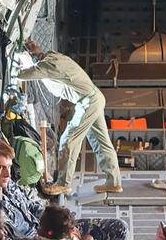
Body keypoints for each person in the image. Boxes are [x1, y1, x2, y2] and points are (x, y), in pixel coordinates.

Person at [0, 136, 127, 240]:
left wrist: (66, 227)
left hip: (50, 230)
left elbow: (35, 207)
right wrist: (60, 239)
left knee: (117, 228)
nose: (7, 174)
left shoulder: (9, 184)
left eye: (9, 167)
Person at [17, 38, 122, 196]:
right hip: (95, 97)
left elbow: (22, 75)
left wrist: (10, 64)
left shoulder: (48, 65)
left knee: (69, 139)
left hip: (87, 102)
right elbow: (41, 57)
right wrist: (35, 53)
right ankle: (114, 183)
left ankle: (63, 184)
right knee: (101, 143)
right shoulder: (54, 56)